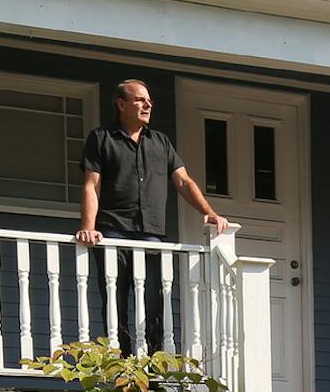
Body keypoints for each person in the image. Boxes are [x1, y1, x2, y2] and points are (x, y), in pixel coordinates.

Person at [75, 78, 228, 354]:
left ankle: (154, 365)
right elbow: (91, 184)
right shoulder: (102, 138)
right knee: (115, 297)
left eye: (149, 101)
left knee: (154, 300)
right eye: (139, 100)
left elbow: (183, 182)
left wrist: (210, 213)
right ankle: (119, 360)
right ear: (121, 104)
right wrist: (88, 226)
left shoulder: (160, 142)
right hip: (113, 230)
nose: (148, 104)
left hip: (151, 233)